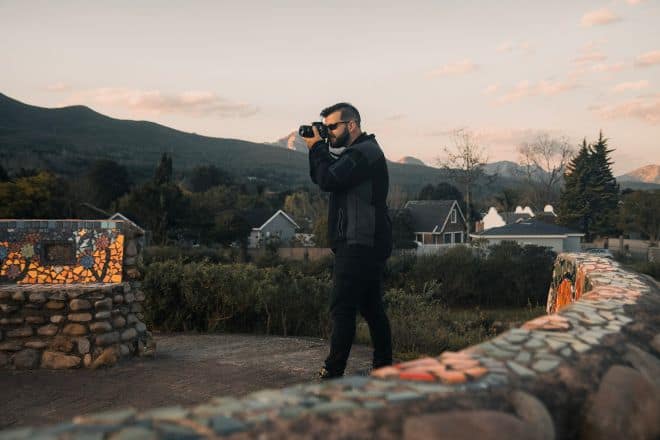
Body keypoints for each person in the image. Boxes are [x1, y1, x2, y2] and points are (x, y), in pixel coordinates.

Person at [304, 102, 393, 379]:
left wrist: (317, 148)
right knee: (371, 308)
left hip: (358, 242)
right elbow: (323, 175)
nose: (328, 132)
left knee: (342, 308)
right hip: (364, 241)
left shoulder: (364, 153)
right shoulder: (360, 154)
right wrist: (315, 148)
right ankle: (384, 366)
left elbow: (329, 178)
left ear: (351, 125)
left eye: (332, 126)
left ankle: (333, 372)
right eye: (325, 127)